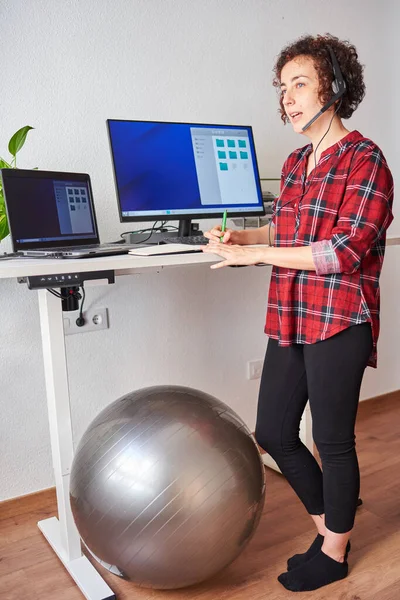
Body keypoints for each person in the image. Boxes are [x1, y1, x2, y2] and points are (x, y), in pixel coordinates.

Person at [201, 33, 394, 592]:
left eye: (301, 84)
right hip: (290, 313)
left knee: (331, 441)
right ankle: (332, 528)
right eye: (283, 87)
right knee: (274, 432)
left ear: (334, 85)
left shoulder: (367, 160)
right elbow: (286, 231)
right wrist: (244, 235)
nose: (288, 98)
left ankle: (334, 551)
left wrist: (258, 252)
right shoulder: (293, 163)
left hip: (340, 317)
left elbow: (345, 251)